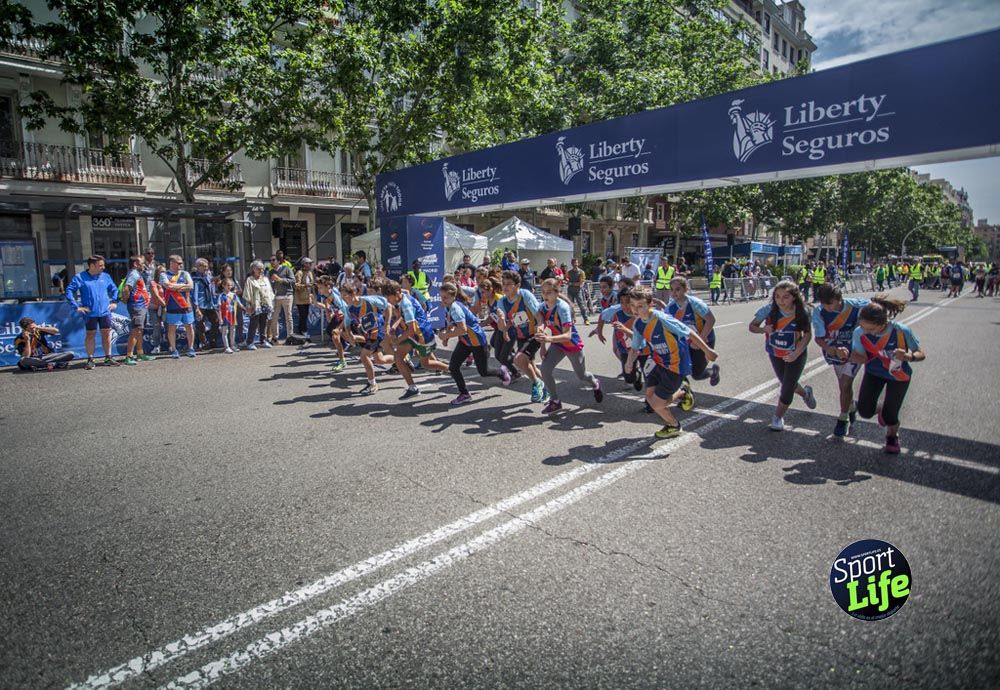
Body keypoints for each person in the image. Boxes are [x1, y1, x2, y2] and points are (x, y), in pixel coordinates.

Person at [625, 286, 718, 438]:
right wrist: (629, 363)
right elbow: (635, 348)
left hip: (675, 365)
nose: (635, 309)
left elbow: (689, 333)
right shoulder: (638, 324)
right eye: (633, 305)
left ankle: (676, 419)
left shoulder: (662, 319)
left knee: (658, 404)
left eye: (640, 305)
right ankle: (680, 398)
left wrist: (707, 350)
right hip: (658, 362)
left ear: (650, 305)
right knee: (650, 397)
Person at [849, 296, 925, 454]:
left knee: (891, 416)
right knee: (864, 411)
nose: (866, 331)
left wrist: (908, 357)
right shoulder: (859, 332)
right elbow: (862, 357)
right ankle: (883, 409)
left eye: (870, 329)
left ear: (883, 324)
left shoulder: (901, 331)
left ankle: (892, 436)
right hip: (874, 372)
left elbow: (920, 353)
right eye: (863, 327)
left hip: (898, 375)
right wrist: (848, 355)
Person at [748, 279, 817, 432]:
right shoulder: (768, 309)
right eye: (777, 296)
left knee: (786, 388)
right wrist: (763, 329)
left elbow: (807, 335)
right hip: (775, 352)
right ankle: (806, 393)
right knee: (787, 382)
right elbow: (752, 326)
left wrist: (796, 353)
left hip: (795, 354)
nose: (781, 301)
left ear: (794, 297)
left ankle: (777, 417)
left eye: (785, 297)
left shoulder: (803, 311)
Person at [536, 278, 603, 414]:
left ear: (557, 292)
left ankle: (595, 383)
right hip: (557, 344)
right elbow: (541, 325)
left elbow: (567, 336)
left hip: (571, 344)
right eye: (543, 292)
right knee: (545, 369)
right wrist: (542, 346)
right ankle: (555, 401)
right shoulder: (542, 306)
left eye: (549, 292)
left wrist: (548, 339)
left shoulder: (562, 308)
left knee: (582, 376)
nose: (545, 295)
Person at [812, 283, 869, 437]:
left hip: (855, 352)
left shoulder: (857, 307)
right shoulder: (819, 312)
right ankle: (851, 407)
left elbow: (875, 312)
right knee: (843, 386)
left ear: (839, 299)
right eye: (823, 303)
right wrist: (832, 350)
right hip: (834, 353)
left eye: (829, 304)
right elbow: (819, 338)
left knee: (845, 383)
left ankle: (843, 419)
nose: (826, 307)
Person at [439, 282, 503, 405]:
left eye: (445, 297)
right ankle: (464, 394)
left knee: (483, 372)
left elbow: (462, 329)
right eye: (441, 297)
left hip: (476, 341)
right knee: (453, 367)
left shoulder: (456, 308)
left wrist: (446, 335)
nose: (443, 300)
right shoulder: (450, 306)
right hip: (465, 341)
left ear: (453, 296)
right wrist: (446, 337)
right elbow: (452, 324)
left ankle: (501, 372)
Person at [382, 280, 449, 399]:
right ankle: (412, 388)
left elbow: (411, 329)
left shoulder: (406, 304)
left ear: (396, 293)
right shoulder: (402, 295)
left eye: (389, 297)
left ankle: (449, 368)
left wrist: (397, 340)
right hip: (414, 335)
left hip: (423, 335)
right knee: (398, 357)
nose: (388, 300)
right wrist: (394, 326)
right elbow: (402, 316)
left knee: (426, 363)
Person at [497, 270, 546, 403]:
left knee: (518, 359)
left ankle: (537, 384)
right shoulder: (502, 301)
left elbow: (539, 317)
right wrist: (502, 321)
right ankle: (547, 386)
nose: (505, 287)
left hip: (534, 334)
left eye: (509, 284)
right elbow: (502, 326)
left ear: (517, 285)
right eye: (503, 283)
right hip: (521, 336)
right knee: (530, 366)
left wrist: (540, 329)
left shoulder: (524, 295)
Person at [64, 254, 120, 369]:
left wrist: (114, 302)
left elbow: (114, 288)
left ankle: (108, 357)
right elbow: (69, 290)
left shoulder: (106, 276)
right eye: (100, 265)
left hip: (105, 311)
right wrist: (76, 306)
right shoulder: (80, 277)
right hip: (90, 312)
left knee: (106, 333)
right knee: (90, 334)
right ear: (92, 266)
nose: (103, 267)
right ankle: (90, 359)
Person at [666, 277, 721, 388]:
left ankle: (713, 372)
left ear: (685, 289)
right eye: (671, 290)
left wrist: (699, 341)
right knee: (679, 368)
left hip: (703, 339)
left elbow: (711, 320)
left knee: (697, 374)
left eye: (677, 289)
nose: (674, 293)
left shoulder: (695, 303)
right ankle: (684, 393)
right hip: (686, 342)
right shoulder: (670, 307)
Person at [341, 282, 391, 395]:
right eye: (342, 296)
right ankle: (400, 359)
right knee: (380, 360)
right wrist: (350, 335)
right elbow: (347, 323)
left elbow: (388, 306)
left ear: (353, 293)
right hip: (367, 333)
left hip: (377, 331)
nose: (343, 298)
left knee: (364, 356)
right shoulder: (348, 308)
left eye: (345, 296)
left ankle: (372, 384)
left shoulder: (369, 300)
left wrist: (387, 323)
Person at [160, 255, 196, 359]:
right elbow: (167, 286)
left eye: (181, 263)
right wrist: (183, 287)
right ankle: (174, 349)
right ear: (171, 263)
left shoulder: (185, 274)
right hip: (172, 305)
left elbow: (191, 286)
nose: (181, 265)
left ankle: (191, 348)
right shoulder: (164, 274)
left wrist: (175, 287)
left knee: (189, 326)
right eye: (178, 263)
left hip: (186, 304)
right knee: (172, 328)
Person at [120, 255, 153, 364]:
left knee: (140, 330)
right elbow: (126, 289)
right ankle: (129, 356)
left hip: (141, 306)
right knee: (135, 330)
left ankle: (140, 353)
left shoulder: (137, 274)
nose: (144, 265)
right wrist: (125, 300)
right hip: (137, 306)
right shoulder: (134, 274)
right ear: (135, 264)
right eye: (142, 263)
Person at [242, 260, 275, 350]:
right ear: (253, 269)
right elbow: (247, 292)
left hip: (265, 304)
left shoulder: (265, 279)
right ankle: (250, 342)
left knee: (263, 323)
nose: (261, 270)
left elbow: (270, 291)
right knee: (254, 323)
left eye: (262, 269)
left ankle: (263, 340)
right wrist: (248, 304)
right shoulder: (250, 280)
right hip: (255, 304)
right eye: (259, 269)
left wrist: (271, 302)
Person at [192, 258, 220, 351]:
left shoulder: (209, 277)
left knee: (216, 321)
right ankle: (203, 343)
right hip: (200, 304)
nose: (205, 268)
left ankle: (212, 341)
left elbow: (212, 290)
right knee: (201, 325)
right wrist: (196, 307)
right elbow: (194, 293)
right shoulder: (195, 278)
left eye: (206, 267)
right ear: (197, 267)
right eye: (203, 267)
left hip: (210, 304)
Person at [266, 255, 295, 344]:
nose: (272, 262)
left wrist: (280, 279)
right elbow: (269, 285)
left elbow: (292, 280)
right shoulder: (270, 272)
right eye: (270, 260)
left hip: (287, 296)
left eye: (273, 260)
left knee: (288, 317)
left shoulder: (286, 269)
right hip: (276, 297)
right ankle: (275, 337)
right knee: (274, 318)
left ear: (279, 261)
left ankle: (290, 336)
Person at [217, 278, 243, 353]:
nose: (229, 286)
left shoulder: (234, 295)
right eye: (228, 285)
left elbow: (240, 304)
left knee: (233, 330)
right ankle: (226, 347)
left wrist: (247, 309)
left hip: (232, 315)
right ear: (223, 285)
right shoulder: (221, 296)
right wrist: (220, 318)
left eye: (231, 285)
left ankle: (232, 345)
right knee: (225, 331)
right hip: (224, 316)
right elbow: (219, 308)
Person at [293, 257, 316, 336]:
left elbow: (312, 283)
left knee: (305, 315)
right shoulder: (299, 273)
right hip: (300, 299)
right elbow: (296, 285)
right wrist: (306, 285)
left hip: (307, 298)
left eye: (311, 263)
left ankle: (303, 331)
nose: (310, 265)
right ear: (304, 264)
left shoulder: (310, 273)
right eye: (309, 263)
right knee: (302, 315)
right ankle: (302, 331)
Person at [147, 264, 167, 353]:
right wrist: (164, 305)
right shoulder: (153, 283)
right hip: (154, 308)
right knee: (157, 327)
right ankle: (156, 346)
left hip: (164, 308)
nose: (163, 274)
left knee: (168, 326)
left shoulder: (167, 283)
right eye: (161, 272)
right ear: (157, 273)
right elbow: (155, 296)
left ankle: (170, 346)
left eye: (164, 272)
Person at [565, 258, 590, 325]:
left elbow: (580, 283)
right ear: (571, 264)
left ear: (578, 263)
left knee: (581, 305)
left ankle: (586, 319)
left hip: (578, 291)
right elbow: (567, 279)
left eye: (576, 263)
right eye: (573, 263)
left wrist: (571, 283)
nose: (575, 264)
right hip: (570, 291)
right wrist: (567, 281)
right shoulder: (569, 272)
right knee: (570, 306)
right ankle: (572, 319)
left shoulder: (581, 272)